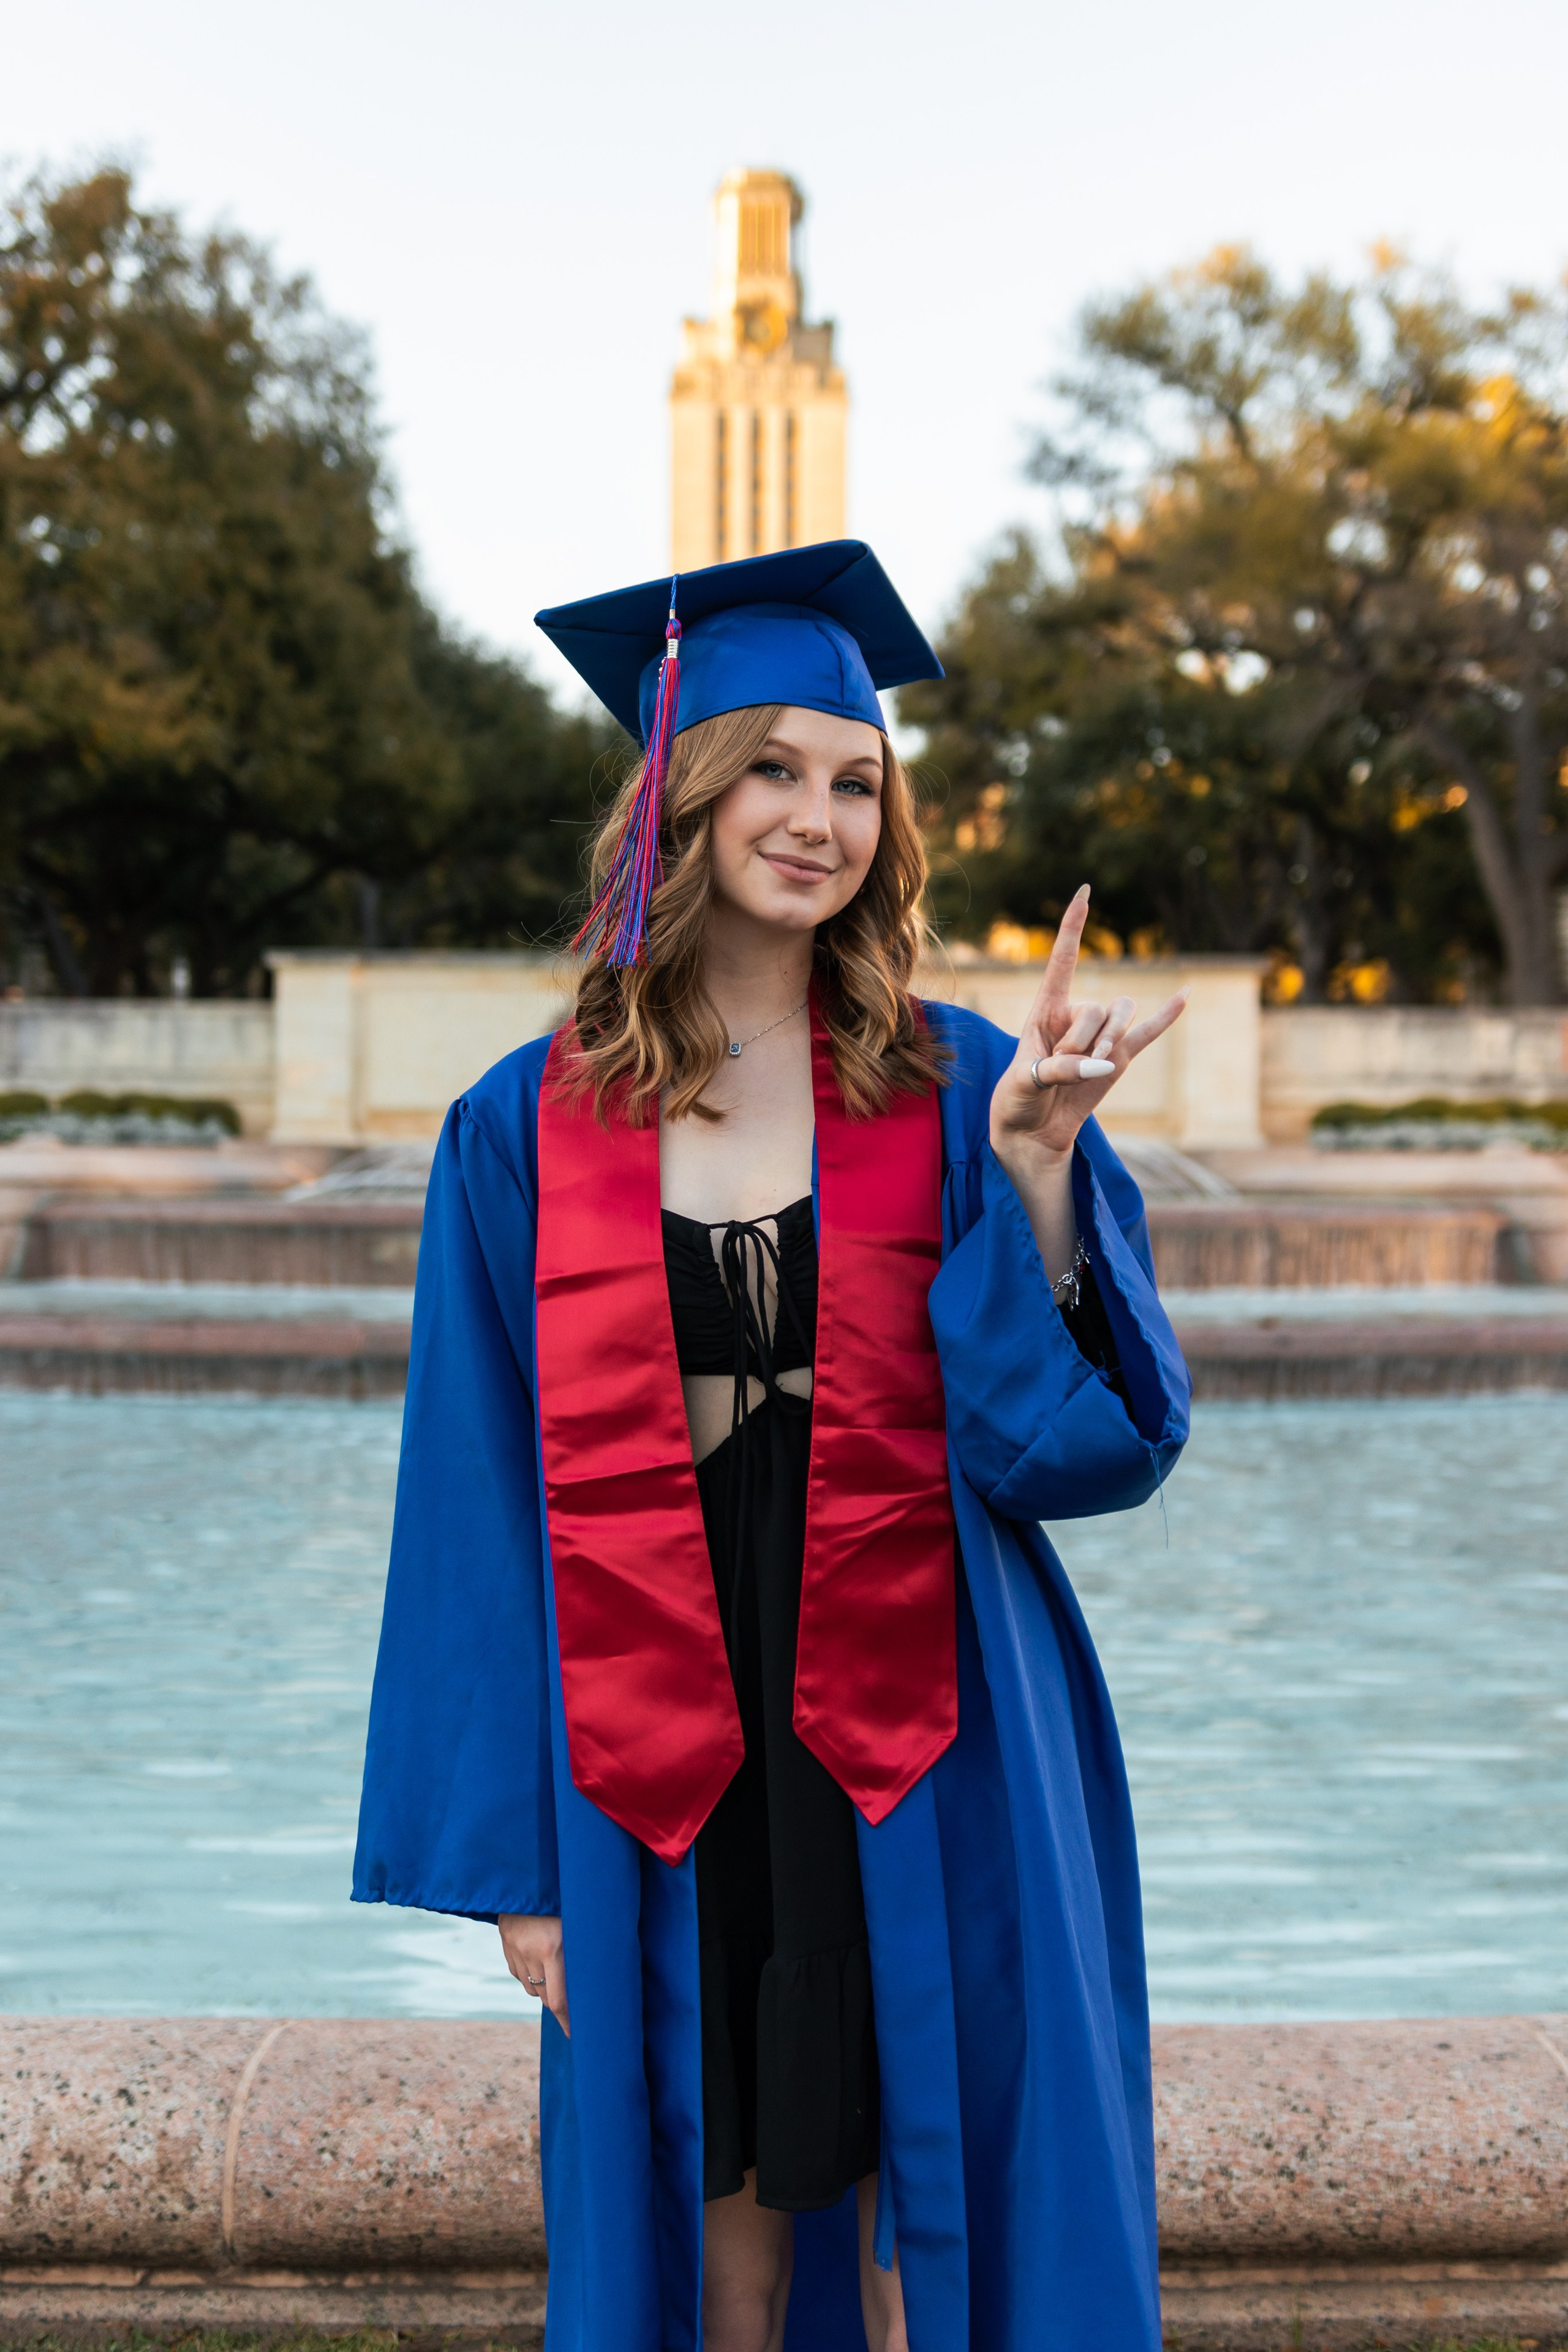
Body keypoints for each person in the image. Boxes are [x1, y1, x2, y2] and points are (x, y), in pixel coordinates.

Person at [353, 540, 1191, 2352]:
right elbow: (470, 1502)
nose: (821, 820)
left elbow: (1076, 1453)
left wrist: (1042, 1183)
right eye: (778, 773)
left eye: (860, 783)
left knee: (922, 2182)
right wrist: (518, 1865)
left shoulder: (964, 1088)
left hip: (934, 1712)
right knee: (714, 2206)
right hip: (655, 1724)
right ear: (686, 793)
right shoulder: (522, 1124)